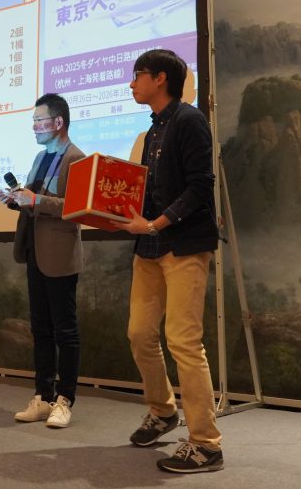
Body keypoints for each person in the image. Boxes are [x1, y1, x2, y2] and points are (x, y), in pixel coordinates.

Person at [112, 49, 224, 474]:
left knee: (183, 341)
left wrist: (155, 223)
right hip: (150, 248)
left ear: (160, 78)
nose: (131, 84)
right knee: (139, 333)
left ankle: (206, 444)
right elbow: (149, 189)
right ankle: (162, 411)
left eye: (137, 75)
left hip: (183, 245)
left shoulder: (189, 120)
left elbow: (200, 187)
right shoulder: (154, 130)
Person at [0, 93, 84, 429]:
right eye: (33, 121)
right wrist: (14, 200)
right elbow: (32, 200)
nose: (34, 127)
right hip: (34, 251)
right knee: (41, 329)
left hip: (60, 254)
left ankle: (65, 400)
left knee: (65, 331)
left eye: (39, 120)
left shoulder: (76, 158)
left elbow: (75, 208)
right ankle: (43, 396)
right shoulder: (40, 157)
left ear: (58, 122)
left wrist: (36, 201)